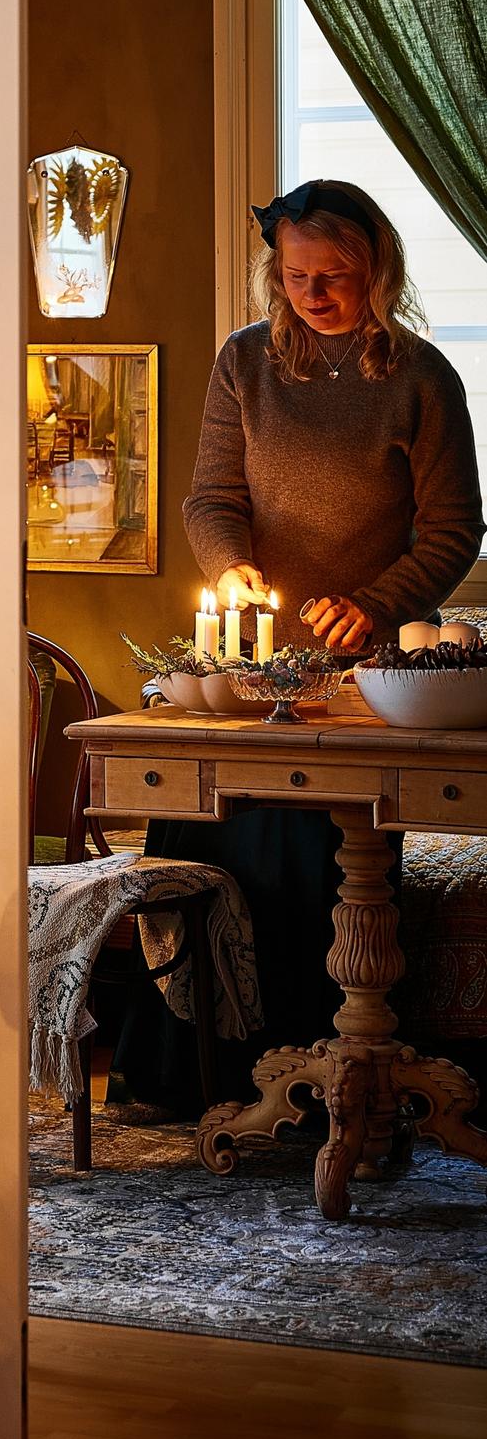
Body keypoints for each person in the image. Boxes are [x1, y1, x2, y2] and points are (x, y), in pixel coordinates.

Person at [120, 178, 485, 1110]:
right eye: (294, 276)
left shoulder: (421, 378)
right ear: (270, 273)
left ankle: (333, 1083)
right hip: (245, 672)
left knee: (324, 869)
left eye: (335, 276)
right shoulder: (243, 364)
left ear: (379, 272)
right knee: (218, 854)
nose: (313, 294)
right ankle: (195, 1080)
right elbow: (210, 499)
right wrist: (231, 565)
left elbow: (451, 531)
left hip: (364, 678)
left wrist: (371, 604)